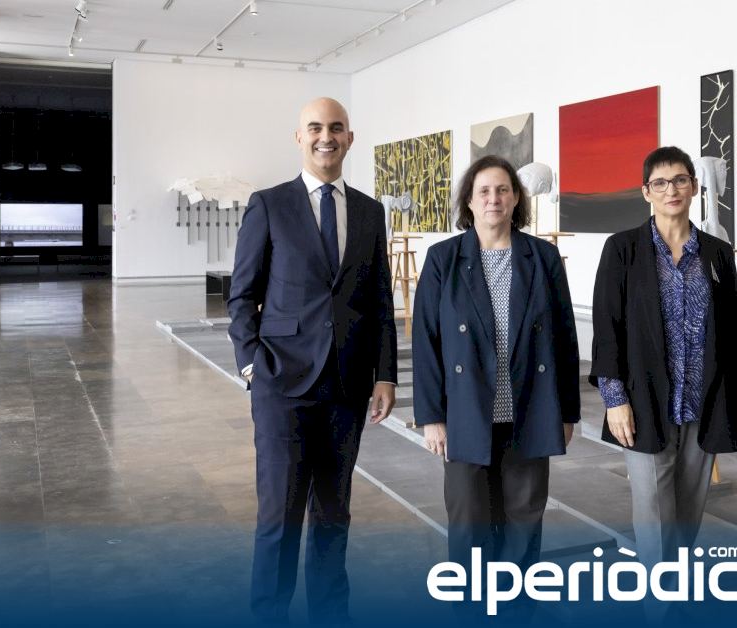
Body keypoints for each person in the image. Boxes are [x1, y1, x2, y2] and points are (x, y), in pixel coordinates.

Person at [228, 97, 397, 624]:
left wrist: (386, 375)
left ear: (350, 138)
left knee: (333, 517)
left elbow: (380, 300)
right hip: (282, 384)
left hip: (347, 386)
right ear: (299, 137)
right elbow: (242, 295)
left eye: (337, 128)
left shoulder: (369, 211)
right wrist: (251, 364)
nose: (327, 136)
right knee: (279, 519)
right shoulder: (269, 205)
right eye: (316, 128)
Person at [411, 155, 580, 616]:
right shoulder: (443, 259)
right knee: (469, 523)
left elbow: (565, 338)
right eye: (484, 191)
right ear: (469, 200)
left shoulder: (541, 257)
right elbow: (426, 342)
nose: (494, 199)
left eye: (503, 190)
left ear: (516, 198)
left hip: (529, 410)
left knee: (524, 520)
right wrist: (432, 417)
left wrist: (567, 412)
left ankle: (518, 610)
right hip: (466, 414)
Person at [589, 146, 737, 573]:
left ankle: (674, 588)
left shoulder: (717, 253)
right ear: (646, 192)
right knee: (654, 514)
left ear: (693, 187)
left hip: (704, 401)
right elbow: (607, 329)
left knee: (688, 514)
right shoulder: (622, 249)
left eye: (680, 180)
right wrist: (614, 399)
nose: (671, 190)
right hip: (643, 401)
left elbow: (732, 328)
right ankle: (660, 599)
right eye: (659, 183)